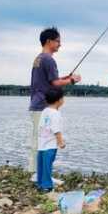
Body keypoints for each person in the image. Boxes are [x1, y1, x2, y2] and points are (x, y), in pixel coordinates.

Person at [28, 27, 81, 182]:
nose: (60, 44)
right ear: (49, 41)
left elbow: (52, 80)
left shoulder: (39, 58)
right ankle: (40, 176)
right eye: (58, 41)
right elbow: (55, 83)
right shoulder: (49, 59)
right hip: (43, 105)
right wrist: (72, 80)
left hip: (37, 104)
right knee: (45, 143)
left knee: (40, 141)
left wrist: (65, 77)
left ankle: (39, 174)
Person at [36, 88, 66, 191]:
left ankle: (40, 183)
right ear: (59, 100)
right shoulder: (56, 113)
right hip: (50, 145)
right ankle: (47, 186)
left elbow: (41, 126)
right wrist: (60, 142)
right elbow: (56, 130)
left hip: (41, 144)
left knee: (41, 165)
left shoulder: (45, 111)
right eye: (63, 97)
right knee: (47, 166)